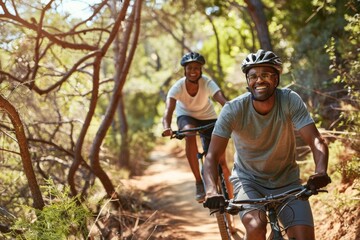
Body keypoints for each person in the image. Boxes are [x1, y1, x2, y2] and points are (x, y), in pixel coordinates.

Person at [203, 49, 331, 240]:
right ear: (248, 81)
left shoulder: (289, 100)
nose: (259, 80)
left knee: (304, 237)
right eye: (253, 76)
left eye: (265, 74)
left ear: (276, 78)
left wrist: (320, 171)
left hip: (287, 182)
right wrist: (212, 191)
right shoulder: (233, 109)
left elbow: (315, 140)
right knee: (255, 227)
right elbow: (212, 156)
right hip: (249, 181)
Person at [162, 51, 234, 204]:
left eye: (196, 68)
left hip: (209, 117)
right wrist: (167, 126)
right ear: (185, 70)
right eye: (190, 68)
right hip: (186, 117)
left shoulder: (207, 82)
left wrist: (231, 108)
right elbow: (168, 109)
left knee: (221, 161)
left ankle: (232, 199)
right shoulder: (177, 87)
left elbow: (221, 98)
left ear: (200, 70)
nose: (193, 71)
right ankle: (199, 182)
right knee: (188, 133)